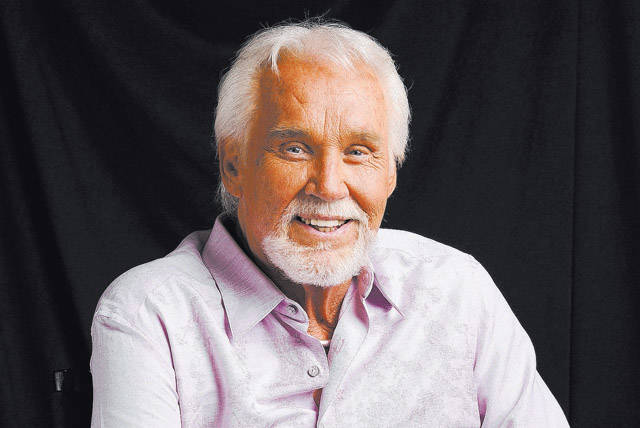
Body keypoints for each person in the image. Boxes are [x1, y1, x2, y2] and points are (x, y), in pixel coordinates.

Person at [90, 19, 569, 427]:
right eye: (295, 149)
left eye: (359, 152)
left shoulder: (456, 289)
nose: (329, 186)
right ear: (233, 166)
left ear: (391, 173)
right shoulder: (150, 314)